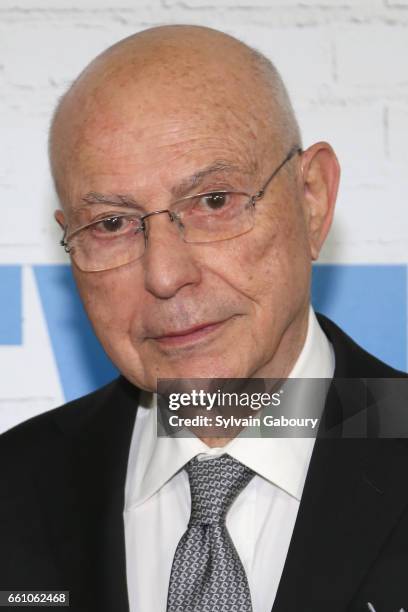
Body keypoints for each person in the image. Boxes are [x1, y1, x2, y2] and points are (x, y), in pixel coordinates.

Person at [1, 24, 408, 612]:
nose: (165, 275)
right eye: (112, 224)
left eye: (214, 201)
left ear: (312, 200)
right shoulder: (11, 492)